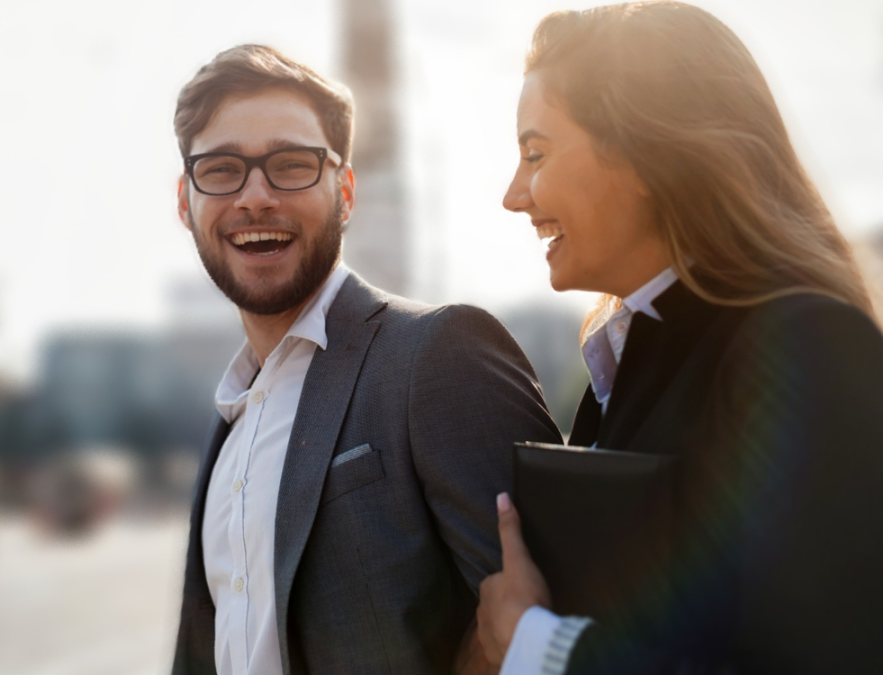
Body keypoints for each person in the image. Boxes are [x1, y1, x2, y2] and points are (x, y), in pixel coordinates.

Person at [475, 2, 883, 674]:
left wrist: (538, 647)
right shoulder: (622, 371)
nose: (514, 194)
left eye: (536, 153)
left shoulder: (810, 346)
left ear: (642, 156)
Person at [170, 45, 561, 675]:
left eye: (291, 165)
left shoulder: (439, 355)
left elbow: (553, 628)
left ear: (346, 192)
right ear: (185, 202)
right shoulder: (230, 426)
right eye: (221, 170)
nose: (255, 197)